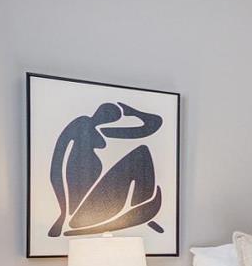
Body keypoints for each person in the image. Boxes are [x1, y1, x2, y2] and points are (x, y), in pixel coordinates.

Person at [47, 101, 165, 238]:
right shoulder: (82, 124)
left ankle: (140, 211)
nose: (109, 121)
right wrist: (62, 213)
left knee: (141, 154)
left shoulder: (100, 130)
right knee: (140, 155)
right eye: (109, 115)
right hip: (81, 211)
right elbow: (56, 170)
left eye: (114, 118)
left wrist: (133, 112)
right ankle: (140, 211)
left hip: (91, 207)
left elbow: (150, 126)